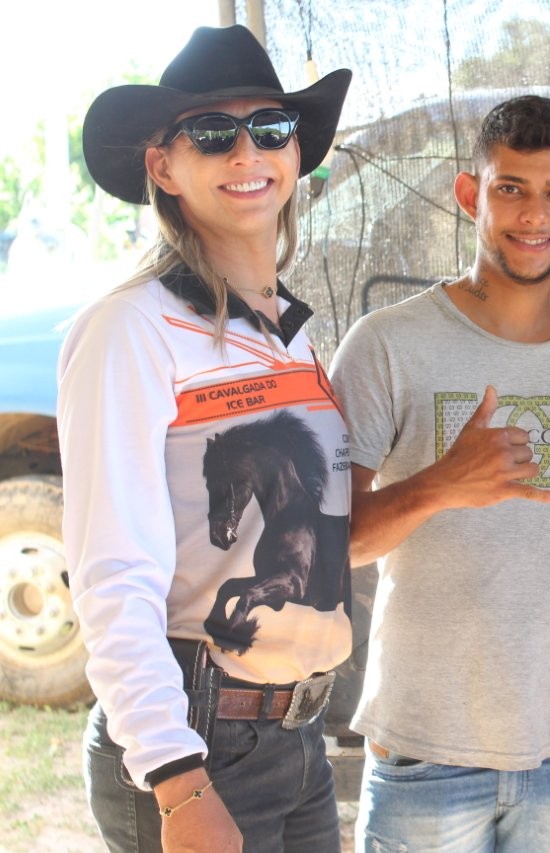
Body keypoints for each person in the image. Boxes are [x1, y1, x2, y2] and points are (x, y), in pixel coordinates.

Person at [61, 25, 353, 852]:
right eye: (214, 133)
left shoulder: (289, 332)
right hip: (201, 742)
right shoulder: (130, 329)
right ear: (163, 166)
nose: (247, 152)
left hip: (298, 734)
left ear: (294, 153)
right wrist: (178, 779)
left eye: (270, 128)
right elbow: (112, 575)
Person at [329, 95, 550, 851]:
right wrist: (440, 484)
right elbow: (329, 542)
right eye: (511, 188)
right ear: (470, 194)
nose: (534, 214)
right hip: (425, 749)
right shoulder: (386, 343)